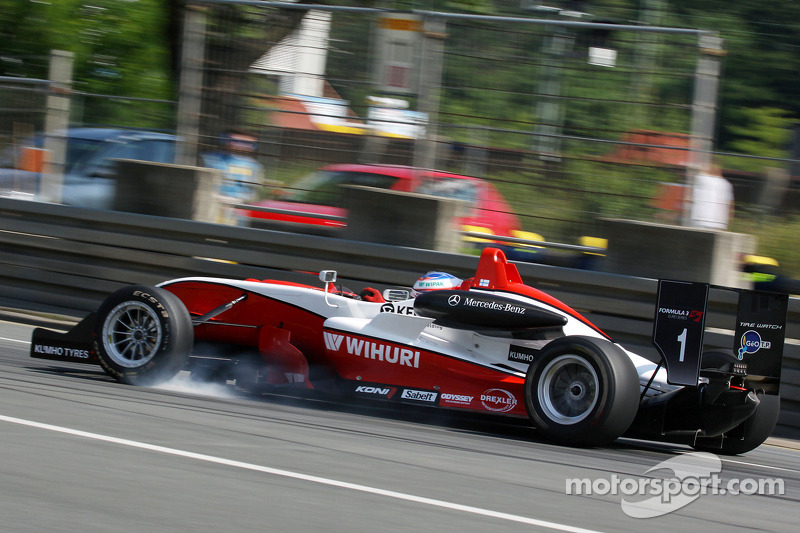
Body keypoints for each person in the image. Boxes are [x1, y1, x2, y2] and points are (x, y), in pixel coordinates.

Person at [202, 129, 265, 225]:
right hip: (209, 208)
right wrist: (215, 197)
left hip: (237, 213)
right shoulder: (209, 159)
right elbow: (201, 184)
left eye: (248, 143)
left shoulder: (255, 167)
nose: (242, 145)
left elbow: (254, 193)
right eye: (235, 141)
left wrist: (237, 201)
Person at [688, 164, 734, 230]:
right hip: (720, 223)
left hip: (701, 221)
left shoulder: (703, 180)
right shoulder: (726, 184)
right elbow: (730, 206)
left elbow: (699, 170)